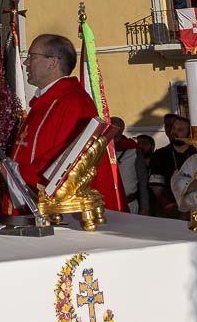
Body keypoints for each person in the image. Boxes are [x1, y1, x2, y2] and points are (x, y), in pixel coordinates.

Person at [10, 34, 122, 210]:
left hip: (61, 212)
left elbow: (67, 159)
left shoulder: (74, 102)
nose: (26, 63)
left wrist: (16, 172)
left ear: (52, 62)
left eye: (31, 56)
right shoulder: (46, 102)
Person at [148, 115, 194, 216]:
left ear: (189, 133)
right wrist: (169, 205)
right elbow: (156, 185)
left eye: (180, 130)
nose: (174, 132)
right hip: (169, 209)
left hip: (194, 206)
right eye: (173, 128)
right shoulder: (160, 154)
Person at [110, 117, 149, 214]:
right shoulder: (102, 149)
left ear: (122, 129)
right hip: (107, 203)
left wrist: (145, 208)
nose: (114, 130)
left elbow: (142, 181)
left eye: (116, 127)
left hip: (130, 203)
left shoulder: (134, 150)